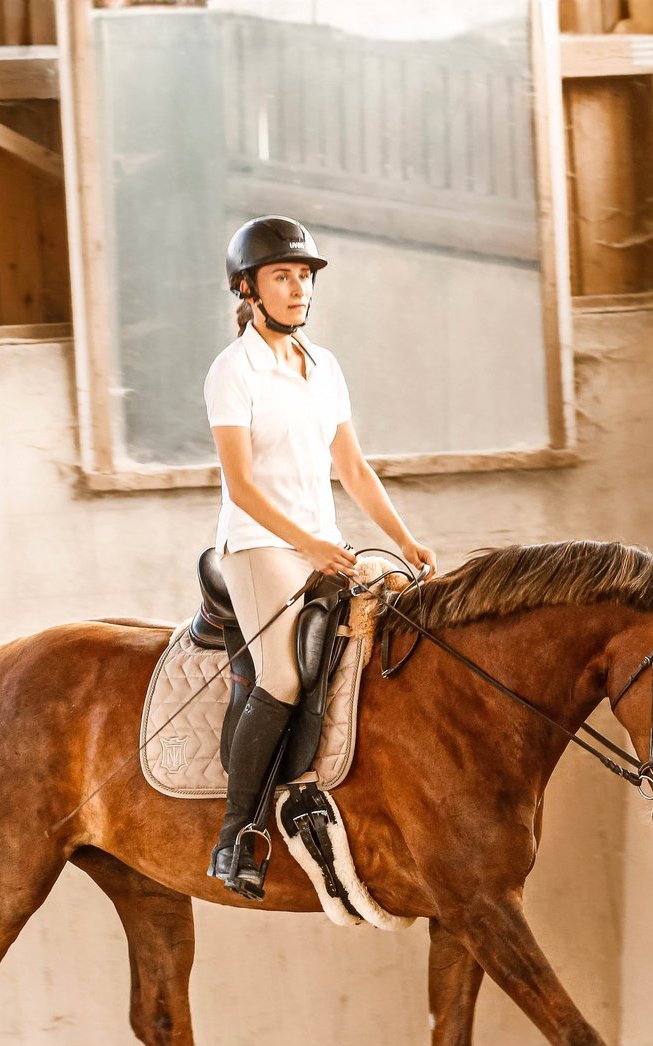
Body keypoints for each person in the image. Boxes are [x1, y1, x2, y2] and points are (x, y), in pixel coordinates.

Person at [205, 215, 437, 897]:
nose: (298, 287)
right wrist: (308, 544)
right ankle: (234, 836)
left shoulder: (323, 366)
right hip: (259, 544)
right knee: (281, 674)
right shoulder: (232, 371)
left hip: (322, 542)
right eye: (283, 276)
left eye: (304, 276)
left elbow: (354, 469)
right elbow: (241, 485)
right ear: (249, 289)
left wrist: (403, 538)